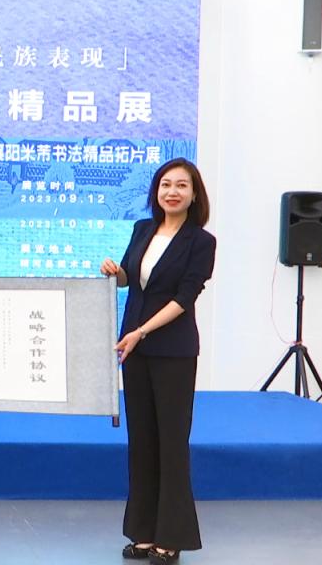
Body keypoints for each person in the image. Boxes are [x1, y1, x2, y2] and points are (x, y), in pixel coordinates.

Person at [100, 158, 215, 564]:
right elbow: (134, 280)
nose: (172, 192)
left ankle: (172, 537)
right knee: (143, 441)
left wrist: (142, 330)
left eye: (182, 185)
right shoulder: (142, 229)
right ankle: (144, 533)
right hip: (135, 350)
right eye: (166, 184)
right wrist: (116, 273)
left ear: (194, 194)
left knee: (171, 443)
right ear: (156, 191)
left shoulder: (201, 242)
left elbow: (184, 298)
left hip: (173, 351)